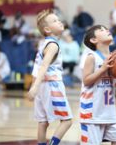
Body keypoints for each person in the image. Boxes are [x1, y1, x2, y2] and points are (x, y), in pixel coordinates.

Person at [27, 9, 72, 145]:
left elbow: (37, 68)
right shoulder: (52, 45)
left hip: (42, 87)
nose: (59, 22)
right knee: (67, 121)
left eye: (58, 19)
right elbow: (44, 66)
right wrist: (34, 87)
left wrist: (35, 86)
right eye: (54, 21)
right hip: (52, 85)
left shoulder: (43, 44)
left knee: (43, 122)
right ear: (47, 29)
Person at [80, 25, 116, 145]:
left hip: (109, 113)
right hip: (92, 113)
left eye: (106, 29)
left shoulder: (115, 58)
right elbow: (86, 80)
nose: (107, 30)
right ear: (94, 40)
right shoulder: (91, 57)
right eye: (101, 30)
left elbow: (115, 83)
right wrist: (102, 69)